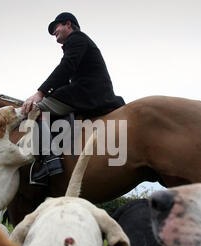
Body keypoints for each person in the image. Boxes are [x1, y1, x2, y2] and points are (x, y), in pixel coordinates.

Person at [22, 12, 125, 183]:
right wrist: (49, 93)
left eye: (56, 27)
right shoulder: (78, 43)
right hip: (89, 91)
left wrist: (40, 94)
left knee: (36, 108)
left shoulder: (77, 39)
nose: (54, 31)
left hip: (88, 93)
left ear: (68, 24)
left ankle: (50, 161)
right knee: (52, 100)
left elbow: (66, 68)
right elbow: (66, 76)